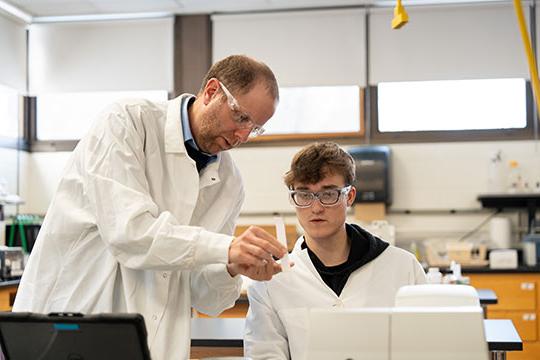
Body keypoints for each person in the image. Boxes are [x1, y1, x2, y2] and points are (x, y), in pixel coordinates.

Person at [12, 55, 288, 360]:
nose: (243, 136)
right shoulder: (126, 122)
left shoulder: (229, 182)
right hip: (72, 323)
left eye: (255, 128)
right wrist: (226, 249)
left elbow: (207, 298)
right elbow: (130, 232)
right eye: (241, 117)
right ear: (211, 91)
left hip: (156, 344)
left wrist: (231, 268)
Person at [244, 142, 427, 360]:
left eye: (328, 194)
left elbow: (424, 349)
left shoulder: (403, 268)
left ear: (349, 197)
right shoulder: (272, 281)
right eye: (304, 195)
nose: (316, 208)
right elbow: (264, 355)